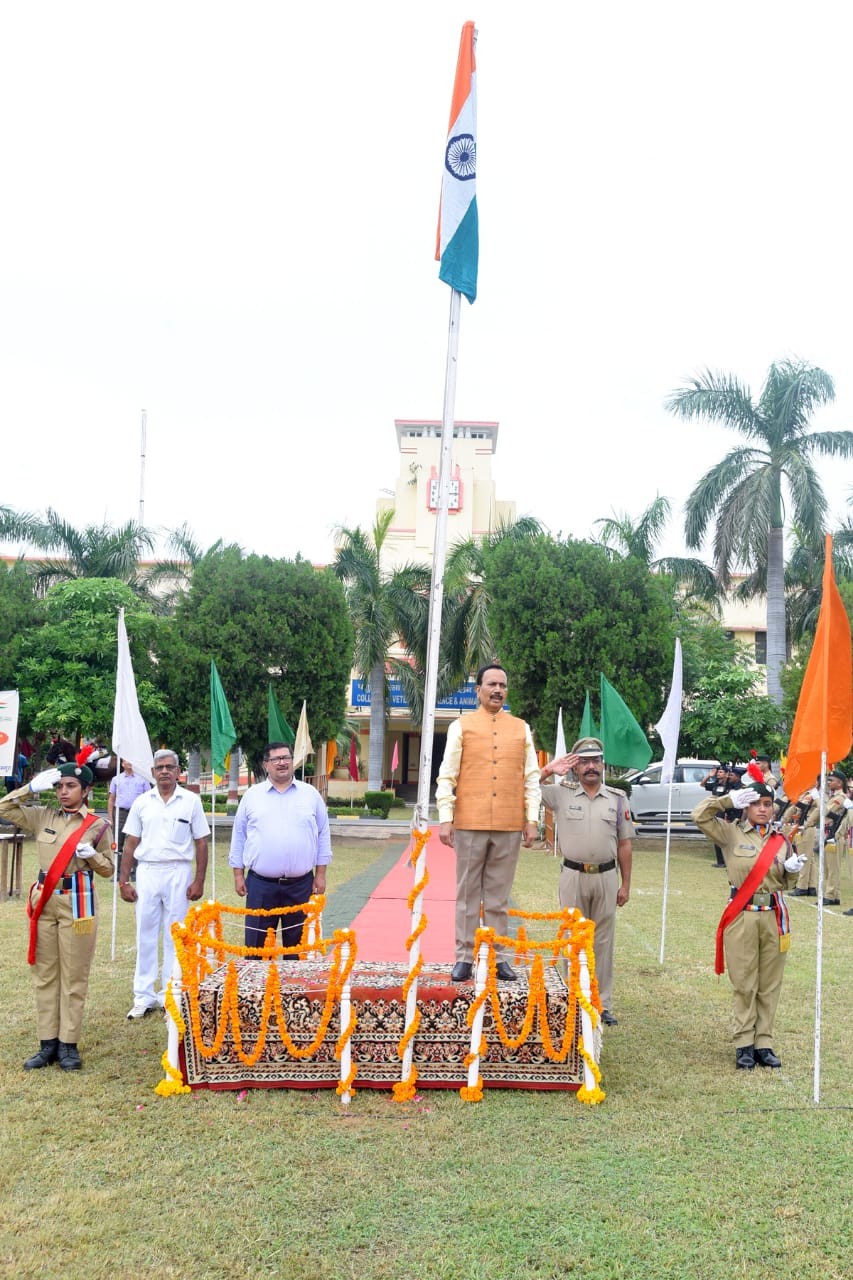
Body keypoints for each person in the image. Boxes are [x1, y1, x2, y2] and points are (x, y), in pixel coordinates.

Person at [0, 755, 114, 1071]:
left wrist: (91, 857)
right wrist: (29, 788)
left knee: (74, 975)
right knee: (45, 974)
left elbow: (109, 869)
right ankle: (47, 1043)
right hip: (45, 899)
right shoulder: (42, 816)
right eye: (60, 786)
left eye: (71, 786)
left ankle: (68, 1045)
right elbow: (4, 808)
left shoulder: (98, 826)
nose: (64, 792)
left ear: (86, 790)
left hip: (78, 899)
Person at [435, 663, 540, 983]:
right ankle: (465, 957)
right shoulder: (461, 726)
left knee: (498, 895)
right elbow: (447, 775)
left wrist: (532, 818)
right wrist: (445, 817)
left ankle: (498, 957)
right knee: (467, 892)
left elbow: (532, 777)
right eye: (491, 684)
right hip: (469, 821)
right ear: (478, 689)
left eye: (503, 685)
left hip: (509, 823)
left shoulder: (521, 728)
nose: (497, 690)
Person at [692, 779, 804, 1070]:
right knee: (744, 982)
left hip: (773, 915)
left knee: (770, 983)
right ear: (747, 806)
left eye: (768, 804)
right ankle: (744, 1042)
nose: (763, 809)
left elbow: (786, 883)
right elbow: (699, 815)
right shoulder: (730, 833)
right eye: (756, 803)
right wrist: (728, 800)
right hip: (742, 915)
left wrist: (792, 872)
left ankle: (764, 1042)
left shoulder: (781, 842)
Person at [539, 737, 633, 1026]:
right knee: (572, 940)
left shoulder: (618, 798)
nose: (591, 766)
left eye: (596, 761)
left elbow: (625, 844)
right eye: (584, 761)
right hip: (573, 876)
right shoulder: (560, 794)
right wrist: (546, 771)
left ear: (603, 764)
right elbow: (523, 788)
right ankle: (574, 999)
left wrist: (625, 884)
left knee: (603, 942)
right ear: (575, 767)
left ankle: (601, 1004)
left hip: (606, 877)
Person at [119, 749, 209, 1020]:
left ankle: (172, 996)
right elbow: (130, 843)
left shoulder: (190, 801)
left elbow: (201, 841)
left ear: (178, 770)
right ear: (153, 771)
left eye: (170, 767)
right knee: (145, 934)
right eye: (160, 767)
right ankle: (143, 996)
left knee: (175, 936)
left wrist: (199, 879)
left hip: (178, 872)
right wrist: (124, 880)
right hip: (147, 872)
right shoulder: (142, 802)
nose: (165, 772)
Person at [229, 742, 331, 951]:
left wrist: (320, 874)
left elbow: (323, 835)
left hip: (301, 885)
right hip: (260, 886)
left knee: (298, 949)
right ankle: (258, 984)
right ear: (266, 764)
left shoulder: (310, 794)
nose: (282, 763)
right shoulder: (252, 796)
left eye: (286, 758)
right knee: (256, 948)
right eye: (276, 759)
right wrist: (238, 875)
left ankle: (294, 984)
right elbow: (239, 836)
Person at [108, 759, 152, 862]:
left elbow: (150, 797)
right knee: (118, 841)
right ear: (122, 764)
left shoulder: (143, 779)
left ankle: (135, 871)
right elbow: (111, 799)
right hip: (120, 813)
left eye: (131, 761)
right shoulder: (116, 779)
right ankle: (117, 871)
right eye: (127, 761)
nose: (129, 763)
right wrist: (110, 817)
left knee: (136, 841)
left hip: (137, 813)